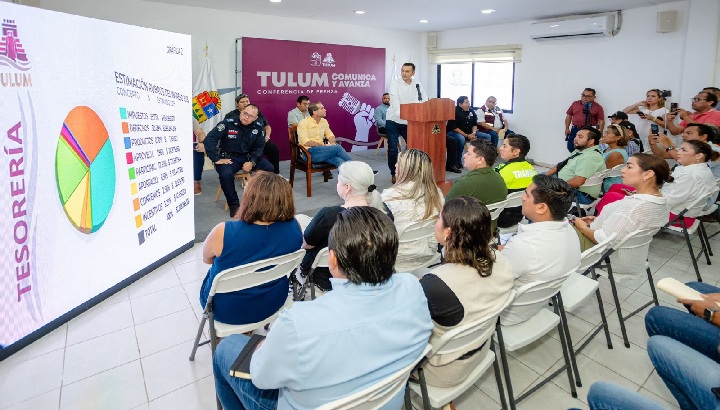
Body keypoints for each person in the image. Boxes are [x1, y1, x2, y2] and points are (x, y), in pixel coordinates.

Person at [212, 207, 433, 410]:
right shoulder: (413, 289)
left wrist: (266, 346)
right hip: (386, 400)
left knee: (225, 349)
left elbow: (261, 378)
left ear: (333, 260)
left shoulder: (297, 323)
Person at [418, 196, 514, 387]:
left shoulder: (437, 284)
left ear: (448, 232)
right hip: (481, 349)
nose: (436, 222)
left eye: (439, 218)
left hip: (441, 370)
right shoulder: (502, 260)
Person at [199, 172, 301, 325]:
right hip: (273, 301)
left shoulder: (223, 231)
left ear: (250, 198)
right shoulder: (295, 227)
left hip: (227, 310)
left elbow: (207, 260)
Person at [573, 153, 670, 280]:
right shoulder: (660, 200)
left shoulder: (633, 208)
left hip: (607, 255)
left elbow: (602, 239)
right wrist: (601, 219)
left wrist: (582, 228)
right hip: (633, 258)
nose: (622, 170)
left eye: (629, 167)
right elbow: (630, 225)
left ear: (647, 174)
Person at [500, 175, 581, 325]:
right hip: (536, 303)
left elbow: (493, 281)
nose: (522, 198)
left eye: (526, 194)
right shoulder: (570, 231)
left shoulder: (523, 245)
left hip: (505, 314)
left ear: (541, 207)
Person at [297, 161, 385, 292]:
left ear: (347, 187)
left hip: (326, 279)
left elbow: (306, 245)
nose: (337, 184)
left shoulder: (329, 216)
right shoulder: (383, 213)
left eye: (338, 181)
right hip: (367, 276)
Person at [204, 104, 273, 217]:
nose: (246, 117)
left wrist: (252, 162)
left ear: (255, 118)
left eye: (251, 116)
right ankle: (234, 205)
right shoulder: (227, 123)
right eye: (245, 113)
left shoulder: (258, 128)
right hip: (229, 157)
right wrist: (216, 159)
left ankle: (263, 200)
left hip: (248, 157)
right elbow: (209, 139)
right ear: (241, 111)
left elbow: (259, 148)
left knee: (269, 168)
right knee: (226, 174)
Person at [381, 149, 444, 272]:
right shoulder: (437, 195)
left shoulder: (387, 200)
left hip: (397, 260)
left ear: (407, 170)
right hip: (429, 255)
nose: (395, 165)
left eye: (398, 163)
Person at [386, 63, 428, 183]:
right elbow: (395, 101)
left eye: (407, 71)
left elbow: (424, 99)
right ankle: (394, 173)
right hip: (394, 119)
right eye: (403, 71)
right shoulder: (395, 83)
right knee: (393, 148)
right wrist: (403, 114)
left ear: (413, 73)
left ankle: (410, 171)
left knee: (413, 147)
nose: (404, 73)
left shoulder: (417, 84)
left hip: (410, 122)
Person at [661, 140, 718, 226]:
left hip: (677, 218)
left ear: (699, 156)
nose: (678, 152)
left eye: (684, 150)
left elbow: (669, 201)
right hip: (685, 214)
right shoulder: (703, 169)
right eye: (679, 149)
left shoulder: (689, 175)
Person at [545, 126, 606, 205]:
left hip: (579, 194)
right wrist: (545, 176)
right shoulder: (580, 150)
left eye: (580, 137)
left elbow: (577, 182)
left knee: (538, 190)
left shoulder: (591, 157)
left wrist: (555, 186)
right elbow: (561, 165)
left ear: (591, 141)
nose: (575, 139)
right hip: (565, 184)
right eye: (576, 136)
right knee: (537, 178)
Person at [225, 94, 281, 174]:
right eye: (242, 102)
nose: (245, 103)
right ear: (237, 104)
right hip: (243, 144)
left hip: (259, 141)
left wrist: (267, 137)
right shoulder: (231, 115)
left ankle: (275, 175)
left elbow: (267, 127)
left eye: (247, 101)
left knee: (273, 149)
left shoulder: (257, 113)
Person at [446, 139, 508, 207]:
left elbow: (446, 207)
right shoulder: (500, 178)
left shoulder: (464, 184)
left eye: (469, 154)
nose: (464, 156)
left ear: (480, 160)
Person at [495, 134, 536, 230]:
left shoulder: (501, 171)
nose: (500, 148)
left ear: (516, 151)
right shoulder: (532, 169)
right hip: (523, 214)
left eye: (504, 146)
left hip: (501, 219)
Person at [649, 122, 720, 178]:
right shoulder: (689, 146)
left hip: (699, 186)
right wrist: (653, 144)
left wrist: (669, 146)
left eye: (689, 133)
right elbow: (662, 155)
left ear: (703, 136)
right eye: (684, 133)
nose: (683, 135)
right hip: (682, 179)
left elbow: (690, 164)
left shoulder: (716, 150)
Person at [296, 102, 352, 168]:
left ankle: (352, 172)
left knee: (341, 163)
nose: (325, 110)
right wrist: (323, 145)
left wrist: (332, 143)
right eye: (322, 108)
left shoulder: (324, 121)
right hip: (309, 153)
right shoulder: (303, 123)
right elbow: (306, 142)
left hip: (323, 151)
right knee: (337, 148)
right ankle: (357, 166)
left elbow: (330, 135)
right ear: (314, 112)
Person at [446, 96, 490, 173]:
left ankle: (484, 159)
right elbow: (453, 127)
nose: (469, 104)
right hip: (455, 132)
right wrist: (466, 135)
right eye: (466, 102)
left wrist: (473, 133)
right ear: (460, 104)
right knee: (461, 138)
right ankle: (458, 161)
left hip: (470, 133)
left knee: (486, 136)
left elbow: (475, 124)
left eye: (469, 102)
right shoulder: (454, 111)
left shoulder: (471, 111)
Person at [564, 88, 605, 152]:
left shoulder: (597, 107)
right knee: (571, 147)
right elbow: (569, 116)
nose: (585, 98)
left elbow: (601, 121)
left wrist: (600, 132)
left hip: (589, 131)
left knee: (585, 149)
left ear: (594, 97)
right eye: (583, 95)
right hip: (575, 129)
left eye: (588, 96)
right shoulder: (575, 104)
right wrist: (567, 128)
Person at [600, 124, 629, 192]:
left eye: (608, 133)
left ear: (618, 137)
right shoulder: (609, 149)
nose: (604, 135)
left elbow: (602, 173)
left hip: (610, 187)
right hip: (603, 184)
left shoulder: (616, 154)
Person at [192, 119, 206, 195]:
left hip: (189, 144)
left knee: (198, 148)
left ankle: (196, 181)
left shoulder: (190, 118)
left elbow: (200, 132)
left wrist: (202, 143)